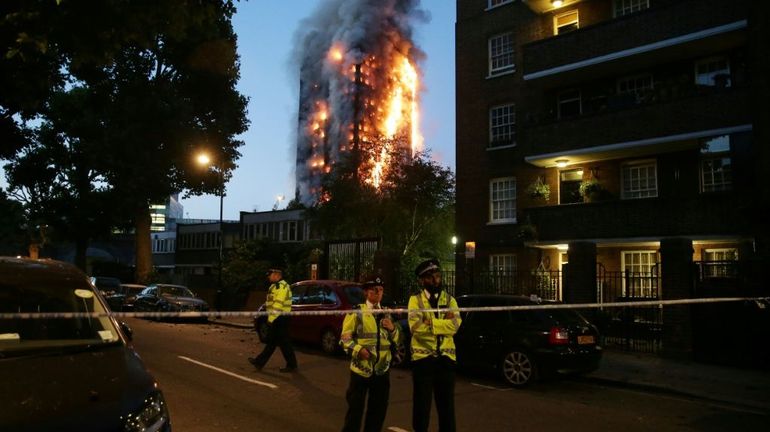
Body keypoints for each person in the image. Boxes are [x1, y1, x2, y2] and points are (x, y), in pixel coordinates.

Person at [340, 274, 401, 432]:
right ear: (366, 292)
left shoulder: (387, 313)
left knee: (378, 413)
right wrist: (359, 350)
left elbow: (398, 340)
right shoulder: (356, 312)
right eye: (375, 289)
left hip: (382, 371)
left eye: (381, 290)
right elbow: (345, 340)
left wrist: (393, 329)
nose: (379, 292)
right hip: (361, 370)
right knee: (355, 412)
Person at [408, 259, 461, 432]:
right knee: (421, 408)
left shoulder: (450, 300)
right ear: (422, 280)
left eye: (438, 276)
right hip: (423, 360)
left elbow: (455, 326)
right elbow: (415, 328)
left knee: (447, 409)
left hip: (446, 360)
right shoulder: (415, 301)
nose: (436, 281)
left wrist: (430, 323)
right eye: (431, 278)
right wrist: (441, 324)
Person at [249, 267, 298, 373]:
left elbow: (278, 305)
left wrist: (270, 319)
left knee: (280, 343)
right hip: (276, 317)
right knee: (276, 342)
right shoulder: (273, 287)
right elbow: (269, 302)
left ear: (277, 275)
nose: (268, 277)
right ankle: (260, 362)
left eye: (270, 275)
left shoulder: (283, 287)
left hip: (281, 317)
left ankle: (291, 364)